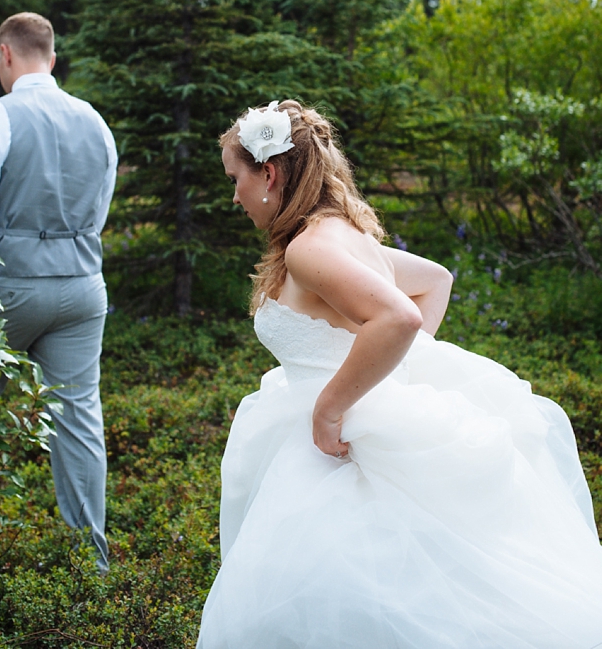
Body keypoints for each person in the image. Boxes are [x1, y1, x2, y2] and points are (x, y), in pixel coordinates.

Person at [197, 99, 602, 649]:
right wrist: (393, 373)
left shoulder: (310, 248)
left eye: (235, 178)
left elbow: (400, 314)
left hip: (339, 437)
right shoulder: (342, 232)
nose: (234, 195)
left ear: (267, 173)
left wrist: (334, 405)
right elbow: (435, 279)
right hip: (353, 420)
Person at [0, 12, 117, 570]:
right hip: (81, 288)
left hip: (7, 292)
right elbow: (95, 215)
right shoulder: (96, 123)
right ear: (51, 59)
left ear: (5, 55)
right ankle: (91, 564)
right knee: (79, 420)